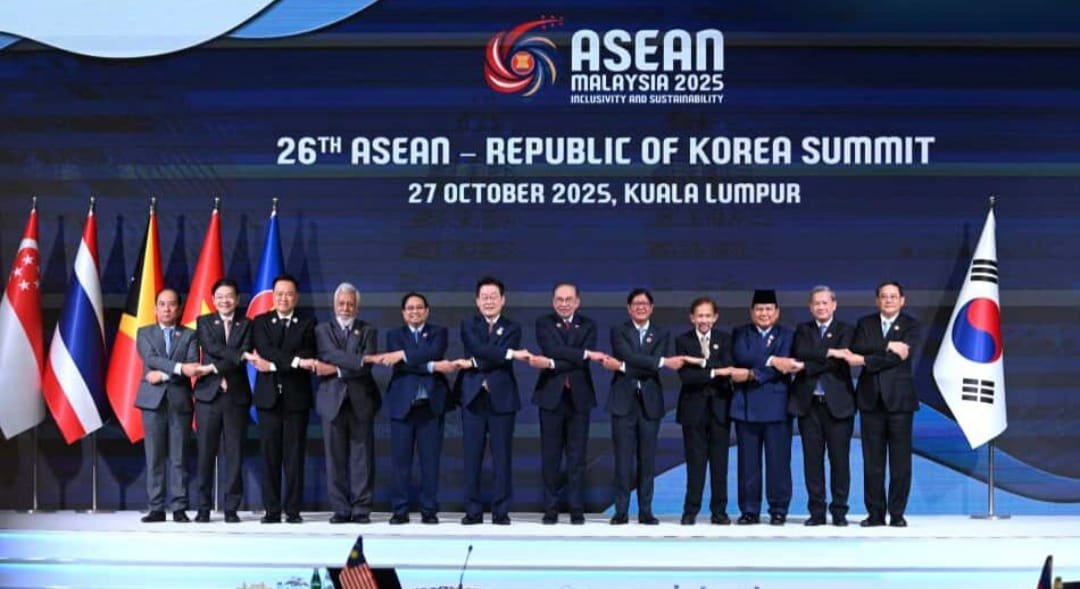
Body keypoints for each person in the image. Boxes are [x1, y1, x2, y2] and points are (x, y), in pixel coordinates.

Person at [600, 288, 683, 525]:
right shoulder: (618, 331)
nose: (640, 307)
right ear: (629, 308)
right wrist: (660, 362)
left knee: (647, 460)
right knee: (623, 459)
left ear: (651, 308)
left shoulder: (661, 332)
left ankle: (645, 510)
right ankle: (621, 511)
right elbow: (629, 355)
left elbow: (646, 365)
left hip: (650, 402)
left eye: (645, 304)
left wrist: (623, 367)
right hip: (623, 401)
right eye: (636, 304)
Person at [840, 281, 920, 528]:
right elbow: (857, 347)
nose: (888, 300)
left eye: (893, 296)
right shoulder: (865, 323)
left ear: (902, 300)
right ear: (877, 301)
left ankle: (897, 514)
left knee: (900, 463)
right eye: (884, 296)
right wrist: (886, 345)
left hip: (900, 402)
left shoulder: (911, 325)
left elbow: (898, 358)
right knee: (872, 462)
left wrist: (865, 360)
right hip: (870, 400)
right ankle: (875, 514)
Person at [455, 276, 531, 525]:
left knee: (502, 457)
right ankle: (473, 511)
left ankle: (501, 511)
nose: (489, 301)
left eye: (493, 297)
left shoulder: (513, 327)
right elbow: (479, 349)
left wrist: (474, 362)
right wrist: (510, 353)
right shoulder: (468, 325)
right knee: (472, 457)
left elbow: (488, 357)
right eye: (484, 297)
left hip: (502, 398)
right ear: (477, 301)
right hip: (473, 397)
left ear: (503, 300)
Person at [528, 283, 606, 525]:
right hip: (551, 397)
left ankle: (576, 509)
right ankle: (550, 509)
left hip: (579, 398)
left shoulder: (589, 325)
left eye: (568, 299)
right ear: (553, 302)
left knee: (577, 457)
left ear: (577, 302)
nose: (564, 304)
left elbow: (570, 359)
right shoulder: (544, 323)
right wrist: (583, 354)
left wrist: (552, 363)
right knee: (550, 456)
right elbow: (552, 349)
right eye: (559, 299)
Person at [380, 292, 458, 524]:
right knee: (400, 462)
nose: (415, 311)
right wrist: (433, 367)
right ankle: (400, 510)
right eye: (410, 308)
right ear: (404, 313)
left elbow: (432, 352)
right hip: (402, 406)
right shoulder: (394, 335)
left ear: (426, 311)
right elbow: (403, 367)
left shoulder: (439, 333)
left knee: (430, 462)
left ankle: (429, 510)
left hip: (430, 407)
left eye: (419, 307)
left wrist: (404, 355)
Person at [247, 274, 317, 524]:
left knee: (294, 456)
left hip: (296, 399)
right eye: (279, 294)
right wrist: (295, 361)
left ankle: (293, 510)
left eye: (288, 294)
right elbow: (265, 349)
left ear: (296, 297)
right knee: (269, 456)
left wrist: (275, 365)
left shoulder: (308, 323)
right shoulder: (260, 321)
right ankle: (272, 510)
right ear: (273, 296)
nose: (283, 298)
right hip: (268, 399)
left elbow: (308, 353)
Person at [675, 296, 749, 525]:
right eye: (700, 315)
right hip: (693, 410)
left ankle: (719, 512)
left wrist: (700, 363)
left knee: (719, 464)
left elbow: (729, 367)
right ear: (692, 318)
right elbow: (686, 377)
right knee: (695, 464)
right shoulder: (683, 341)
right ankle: (691, 510)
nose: (704, 320)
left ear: (715, 317)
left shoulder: (725, 339)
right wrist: (715, 371)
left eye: (708, 315)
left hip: (720, 408)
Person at [312, 283, 381, 524]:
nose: (346, 308)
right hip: (332, 401)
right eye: (341, 303)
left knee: (362, 459)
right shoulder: (322, 330)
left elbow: (367, 365)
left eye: (350, 304)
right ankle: (340, 509)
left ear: (357, 307)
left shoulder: (368, 330)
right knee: (335, 458)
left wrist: (336, 369)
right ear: (334, 305)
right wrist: (357, 359)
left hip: (361, 400)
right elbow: (328, 354)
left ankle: (362, 509)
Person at [731, 289, 800, 525]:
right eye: (759, 309)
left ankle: (778, 508)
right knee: (747, 463)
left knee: (778, 462)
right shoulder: (740, 333)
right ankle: (749, 509)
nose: (764, 313)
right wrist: (773, 360)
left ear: (777, 312)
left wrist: (752, 373)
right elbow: (741, 355)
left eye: (769, 309)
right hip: (746, 406)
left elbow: (786, 366)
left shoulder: (788, 335)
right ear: (752, 312)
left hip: (778, 406)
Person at [789, 286, 855, 527]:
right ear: (810, 307)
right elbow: (800, 352)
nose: (821, 307)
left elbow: (837, 363)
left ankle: (839, 511)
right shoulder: (802, 330)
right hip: (809, 405)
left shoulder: (846, 330)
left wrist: (809, 363)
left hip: (838, 406)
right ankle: (817, 511)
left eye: (825, 303)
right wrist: (830, 352)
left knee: (840, 461)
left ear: (834, 305)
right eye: (816, 303)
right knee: (812, 461)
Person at [135, 287, 200, 523]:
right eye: (162, 304)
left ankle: (179, 507)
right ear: (155, 308)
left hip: (180, 401)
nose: (166, 309)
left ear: (179, 309)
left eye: (171, 304)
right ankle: (156, 508)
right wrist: (179, 368)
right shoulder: (144, 333)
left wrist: (163, 374)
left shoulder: (190, 335)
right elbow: (150, 358)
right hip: (152, 403)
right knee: (154, 456)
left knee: (179, 457)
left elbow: (192, 365)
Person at [192, 278, 252, 524]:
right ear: (213, 300)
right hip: (208, 396)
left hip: (236, 396)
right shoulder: (204, 322)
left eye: (229, 296)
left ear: (237, 300)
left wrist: (211, 368)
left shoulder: (247, 324)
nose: (224, 300)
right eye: (220, 297)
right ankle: (203, 508)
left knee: (234, 454)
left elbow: (239, 356)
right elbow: (212, 347)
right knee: (205, 454)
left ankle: (231, 508)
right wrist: (239, 355)